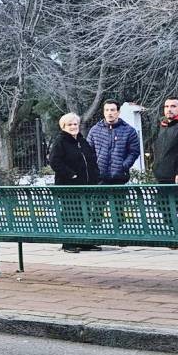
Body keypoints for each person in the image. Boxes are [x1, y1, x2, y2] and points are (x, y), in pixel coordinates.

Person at [48, 112, 100, 253]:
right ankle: (68, 243)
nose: (73, 127)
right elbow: (54, 162)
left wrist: (95, 176)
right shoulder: (60, 142)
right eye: (69, 124)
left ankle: (84, 242)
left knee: (85, 213)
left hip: (86, 185)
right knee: (70, 214)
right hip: (69, 186)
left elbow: (91, 159)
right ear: (63, 126)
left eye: (75, 124)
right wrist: (72, 174)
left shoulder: (82, 141)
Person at [87, 101, 141, 185]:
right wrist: (95, 167)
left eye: (112, 110)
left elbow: (134, 152)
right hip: (98, 179)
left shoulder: (129, 131)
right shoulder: (95, 130)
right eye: (107, 110)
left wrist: (123, 166)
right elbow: (88, 152)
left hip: (119, 179)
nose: (109, 113)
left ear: (118, 112)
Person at [154, 97, 178, 185]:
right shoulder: (163, 127)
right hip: (162, 177)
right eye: (166, 106)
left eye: (173, 106)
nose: (169, 109)